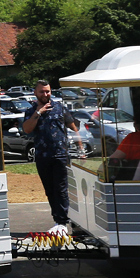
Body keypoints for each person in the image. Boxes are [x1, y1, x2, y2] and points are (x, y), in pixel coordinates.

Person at [22, 81, 81, 235]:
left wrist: (80, 145)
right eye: (42, 92)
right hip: (42, 155)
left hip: (60, 154)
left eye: (47, 91)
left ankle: (62, 222)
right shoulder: (30, 111)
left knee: (61, 189)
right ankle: (57, 220)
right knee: (50, 190)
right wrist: (38, 113)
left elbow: (74, 127)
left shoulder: (60, 108)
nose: (45, 94)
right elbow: (27, 129)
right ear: (35, 93)